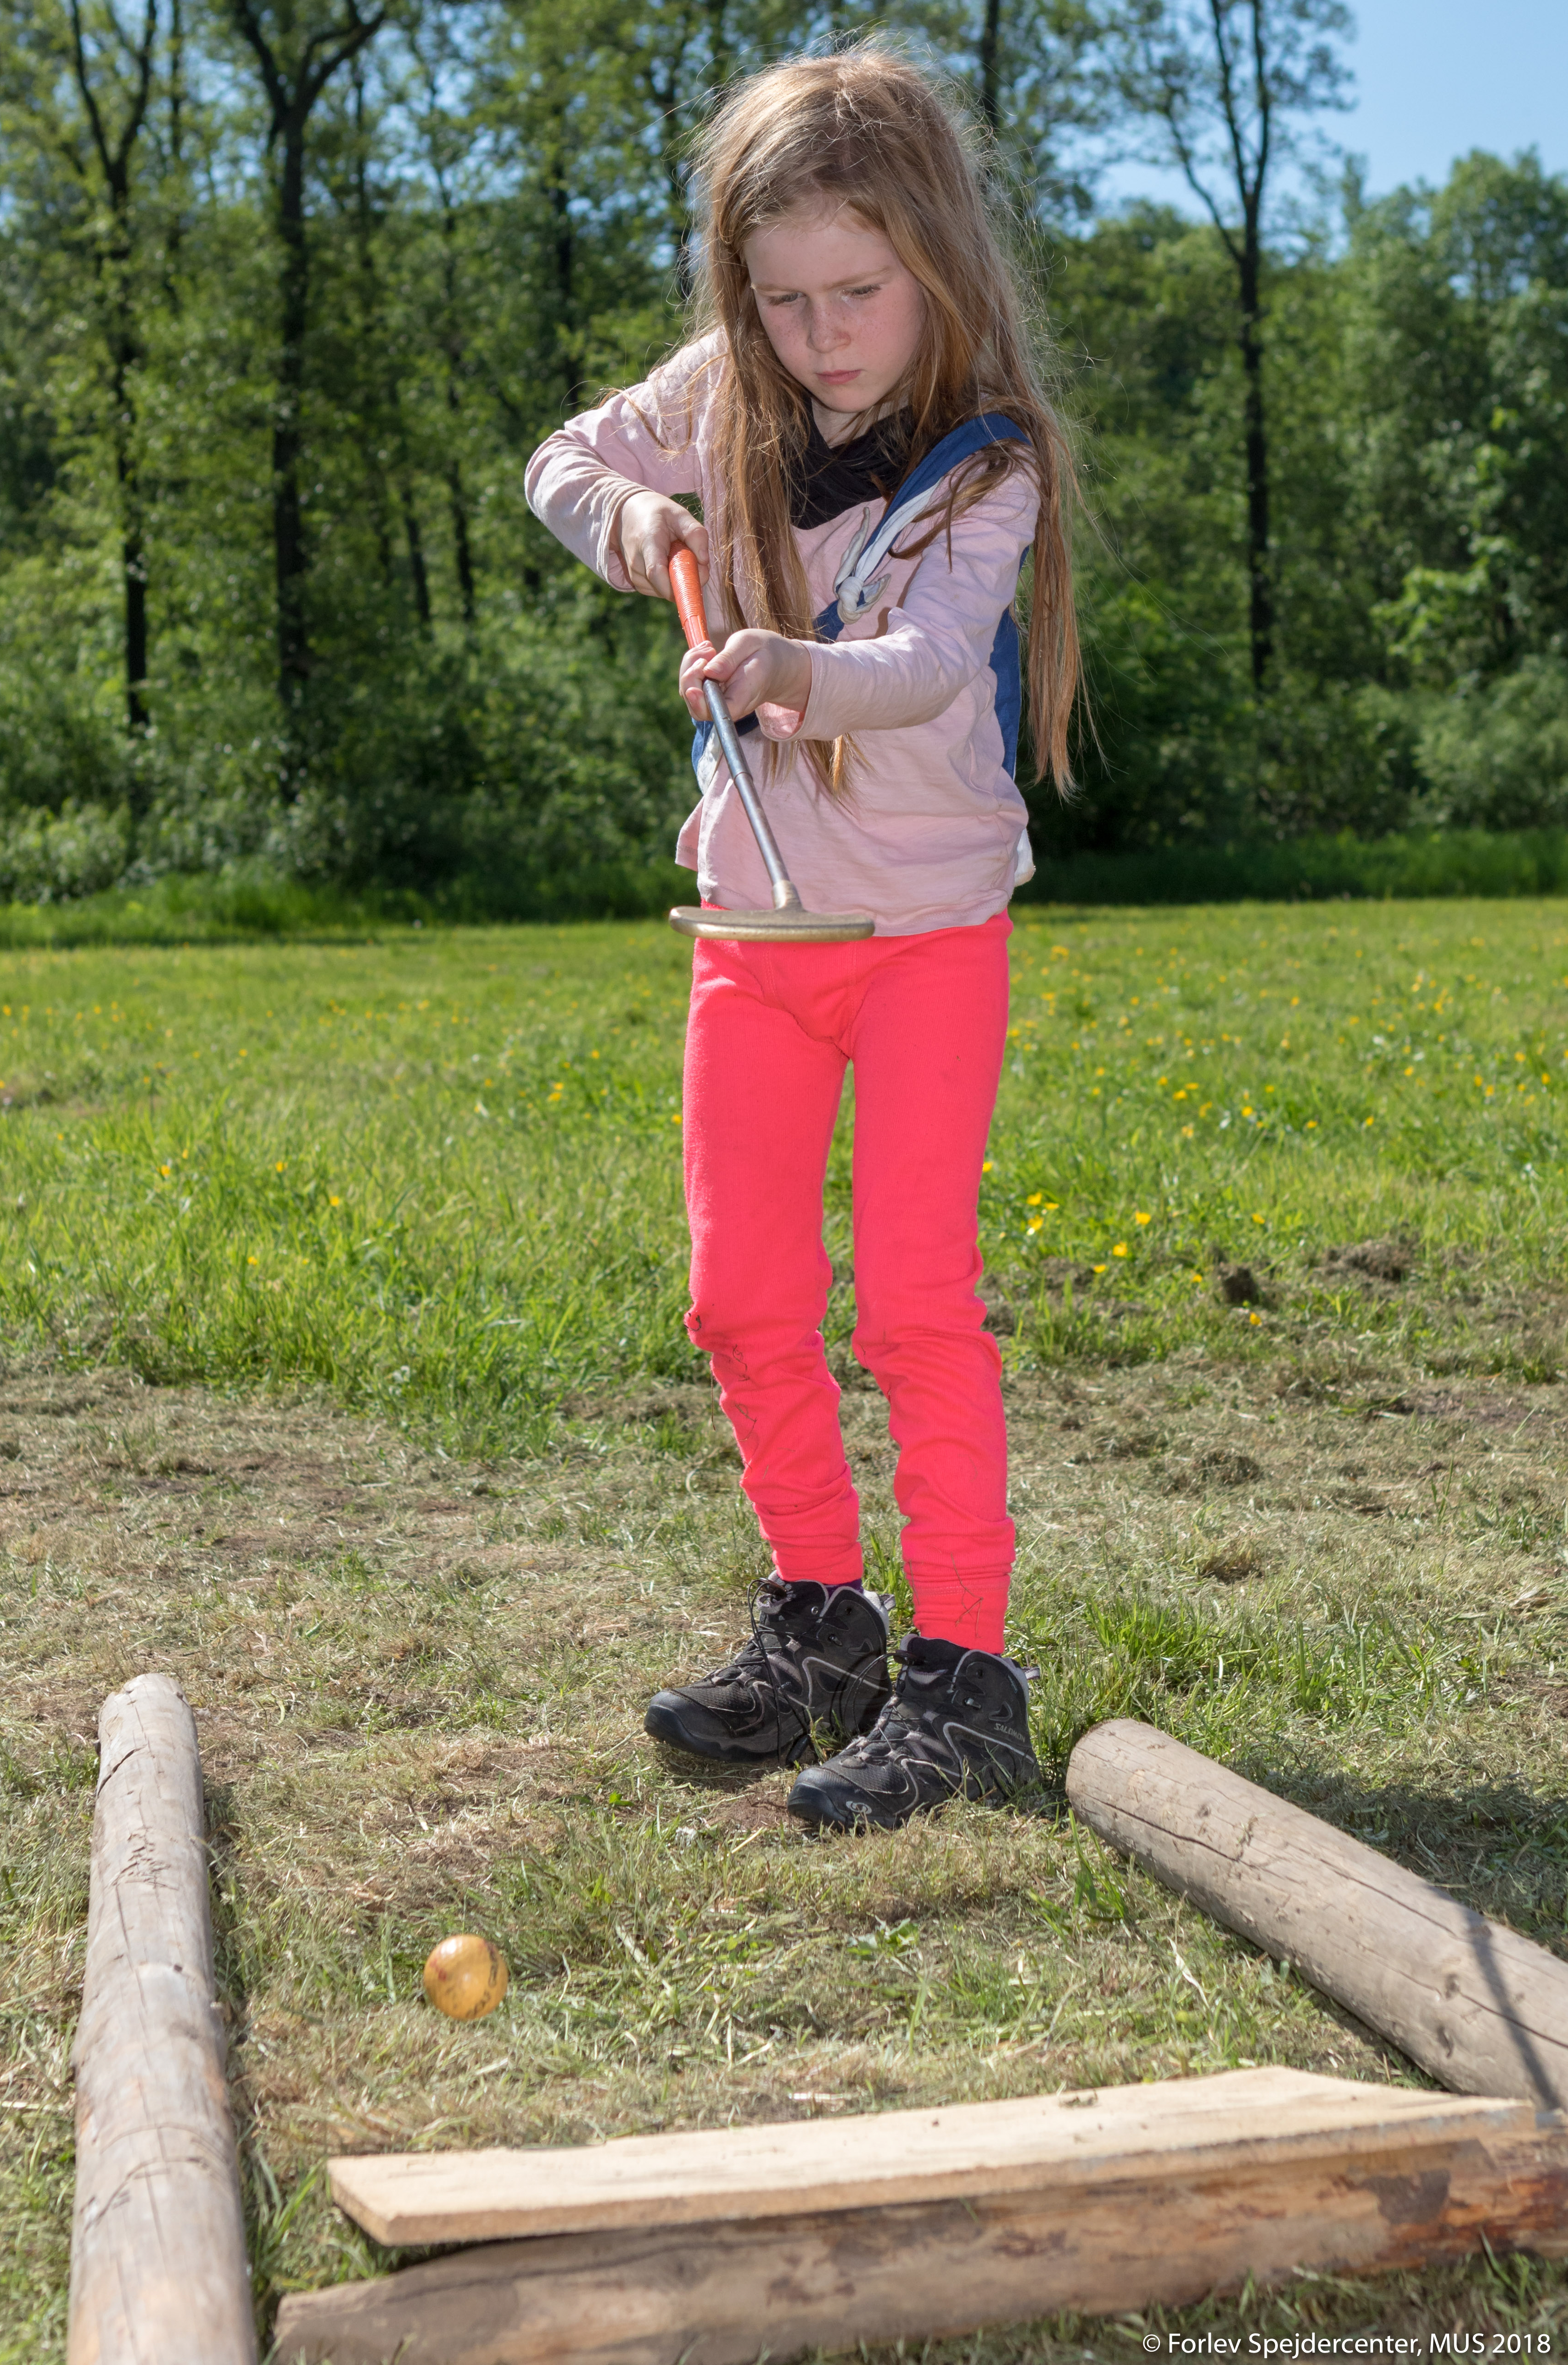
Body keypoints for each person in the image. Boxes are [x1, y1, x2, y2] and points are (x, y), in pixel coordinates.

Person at [524, 46, 1079, 1833]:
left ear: (937, 261)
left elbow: (918, 666)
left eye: (859, 292)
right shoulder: (727, 386)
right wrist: (627, 518)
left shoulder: (988, 465)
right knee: (743, 1297)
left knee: (912, 1305)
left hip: (923, 939)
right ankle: (821, 1626)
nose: (822, 336)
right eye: (783, 300)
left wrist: (789, 669)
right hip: (750, 936)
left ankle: (965, 1682)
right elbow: (561, 459)